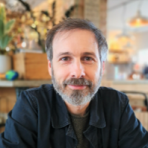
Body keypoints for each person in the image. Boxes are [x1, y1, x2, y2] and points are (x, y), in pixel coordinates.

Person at [0, 18, 148, 148]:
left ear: (102, 67)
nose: (77, 72)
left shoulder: (118, 104)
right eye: (65, 58)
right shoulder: (31, 105)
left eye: (88, 58)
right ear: (50, 67)